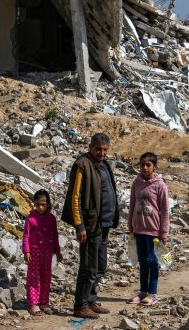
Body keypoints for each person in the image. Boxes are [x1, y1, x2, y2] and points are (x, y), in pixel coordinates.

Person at [62, 133, 119, 319]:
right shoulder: (82, 165)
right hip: (90, 225)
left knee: (100, 265)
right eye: (98, 149)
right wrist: (79, 225)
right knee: (88, 266)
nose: (102, 153)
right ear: (90, 147)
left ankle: (91, 299)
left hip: (104, 224)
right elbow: (75, 197)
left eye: (105, 150)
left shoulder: (104, 165)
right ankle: (81, 305)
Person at [127, 152, 170, 306]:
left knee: (152, 261)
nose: (145, 168)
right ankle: (143, 292)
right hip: (138, 229)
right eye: (142, 165)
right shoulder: (136, 183)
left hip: (153, 230)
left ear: (154, 167)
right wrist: (130, 225)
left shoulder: (160, 185)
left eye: (148, 165)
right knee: (142, 261)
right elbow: (132, 204)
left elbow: (165, 211)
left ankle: (152, 293)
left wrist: (164, 232)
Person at [22, 189, 62, 316]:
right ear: (34, 203)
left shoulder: (51, 218)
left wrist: (57, 250)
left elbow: (55, 235)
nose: (40, 207)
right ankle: (33, 303)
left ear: (48, 204)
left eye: (43, 204)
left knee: (46, 276)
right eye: (38, 204)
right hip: (34, 253)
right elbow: (26, 236)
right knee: (34, 277)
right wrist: (26, 251)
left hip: (47, 252)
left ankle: (44, 301)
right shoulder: (31, 218)